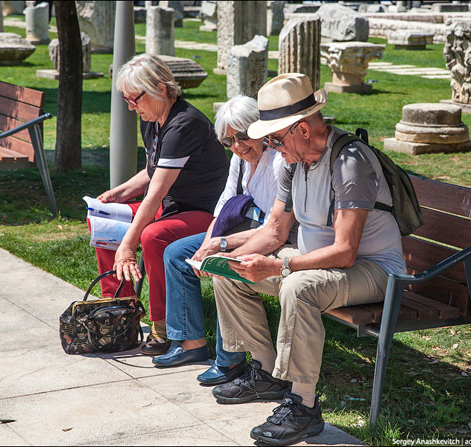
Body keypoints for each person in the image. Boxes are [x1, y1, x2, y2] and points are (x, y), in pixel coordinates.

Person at [209, 73, 407, 446]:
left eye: (274, 138)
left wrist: (281, 266)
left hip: (375, 270)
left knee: (299, 288)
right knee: (229, 274)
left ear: (301, 129)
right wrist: (225, 257)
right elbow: (275, 231)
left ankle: (303, 405)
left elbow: (346, 252)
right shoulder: (291, 161)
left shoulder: (350, 162)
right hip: (319, 261)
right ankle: (267, 373)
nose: (270, 146)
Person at [91, 53, 229, 356]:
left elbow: (156, 192)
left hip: (204, 213)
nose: (130, 106)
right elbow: (155, 170)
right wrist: (120, 192)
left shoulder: (184, 124)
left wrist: (127, 246)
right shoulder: (152, 119)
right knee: (102, 220)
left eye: (135, 99)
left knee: (153, 236)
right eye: (126, 99)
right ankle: (122, 309)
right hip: (171, 205)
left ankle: (163, 324)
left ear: (160, 88)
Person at [152, 96, 292, 388]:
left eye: (243, 136)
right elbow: (221, 210)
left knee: (223, 268)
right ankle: (189, 342)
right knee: (178, 253)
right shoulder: (239, 161)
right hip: (244, 231)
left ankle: (230, 359)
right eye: (229, 141)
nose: (238, 146)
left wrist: (222, 247)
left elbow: (273, 228)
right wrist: (207, 243)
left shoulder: (278, 162)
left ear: (260, 130)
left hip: (273, 238)